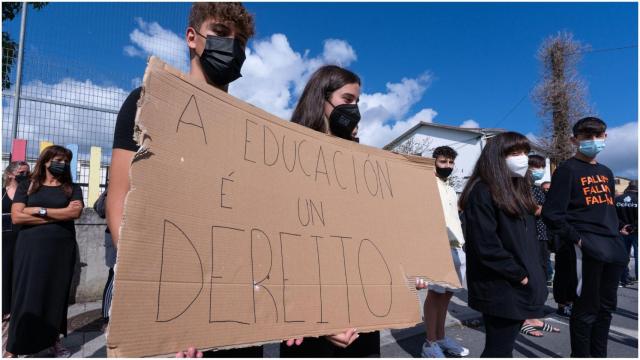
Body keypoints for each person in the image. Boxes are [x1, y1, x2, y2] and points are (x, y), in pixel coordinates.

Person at [108, 3, 266, 357]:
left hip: (236, 308)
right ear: (192, 38)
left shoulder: (249, 129)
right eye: (222, 34)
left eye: (240, 41)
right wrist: (152, 287)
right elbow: (120, 200)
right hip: (170, 302)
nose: (233, 46)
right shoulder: (148, 102)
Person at [542, 116, 628, 357]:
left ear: (605, 137)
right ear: (574, 140)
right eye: (587, 136)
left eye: (598, 136)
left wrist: (619, 228)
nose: (593, 140)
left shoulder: (606, 171)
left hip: (613, 248)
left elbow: (605, 208)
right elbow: (552, 214)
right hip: (586, 250)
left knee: (606, 309)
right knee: (586, 310)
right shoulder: (567, 170)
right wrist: (579, 240)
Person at [459, 132, 547, 357]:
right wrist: (519, 274)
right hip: (502, 285)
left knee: (503, 348)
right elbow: (484, 244)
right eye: (515, 153)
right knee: (499, 349)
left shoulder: (518, 189)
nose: (523, 159)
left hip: (519, 284)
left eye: (526, 153)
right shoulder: (482, 191)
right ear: (497, 157)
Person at [6, 145, 83, 358]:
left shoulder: (71, 188)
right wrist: (59, 213)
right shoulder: (28, 186)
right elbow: (17, 217)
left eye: (66, 161)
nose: (63, 164)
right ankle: (14, 346)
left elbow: (75, 212)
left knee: (55, 295)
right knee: (26, 293)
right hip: (30, 249)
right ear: (45, 161)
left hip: (61, 249)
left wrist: (37, 210)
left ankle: (53, 341)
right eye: (58, 160)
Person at [420, 146, 469, 358]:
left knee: (447, 294)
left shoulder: (449, 187)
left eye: (451, 163)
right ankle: (429, 343)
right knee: (435, 294)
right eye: (443, 162)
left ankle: (440, 337)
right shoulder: (426, 185)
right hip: (437, 247)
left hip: (457, 246)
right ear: (433, 162)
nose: (447, 166)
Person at [518, 155, 560, 338]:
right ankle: (524, 318)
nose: (539, 170)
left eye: (542, 166)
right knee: (531, 277)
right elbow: (533, 209)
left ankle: (534, 315)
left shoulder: (536, 188)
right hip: (529, 237)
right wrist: (552, 207)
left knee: (542, 275)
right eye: (535, 166)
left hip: (542, 236)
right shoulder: (521, 187)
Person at [2, 161, 30, 349]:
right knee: (4, 272)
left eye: (27, 172)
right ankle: (5, 310)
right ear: (11, 174)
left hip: (22, 237)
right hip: (4, 239)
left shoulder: (26, 192)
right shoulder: (3, 191)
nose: (25, 175)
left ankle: (17, 308)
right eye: (22, 172)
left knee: (19, 273)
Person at [92, 187, 115, 330]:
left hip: (133, 238)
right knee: (113, 277)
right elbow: (99, 210)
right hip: (114, 239)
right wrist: (109, 191)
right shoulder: (112, 191)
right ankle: (106, 318)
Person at [616, 180, 638, 286]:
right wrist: (632, 227)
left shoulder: (618, 199)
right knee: (638, 255)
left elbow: (614, 216)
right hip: (636, 231)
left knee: (623, 255)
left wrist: (623, 226)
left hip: (622, 231)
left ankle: (623, 277)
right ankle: (637, 277)